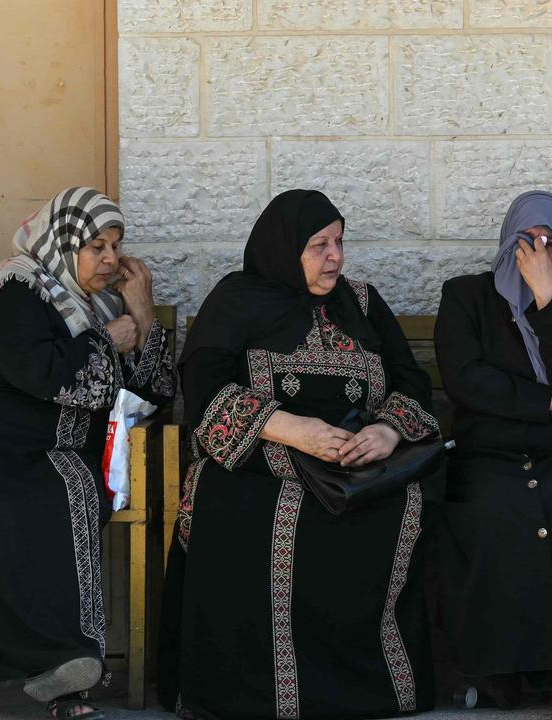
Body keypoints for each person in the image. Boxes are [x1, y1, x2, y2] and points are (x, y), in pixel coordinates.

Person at [157, 190, 439, 719]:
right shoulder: (237, 298)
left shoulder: (364, 303)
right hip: (262, 460)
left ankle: (371, 690)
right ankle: (260, 696)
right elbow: (203, 389)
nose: (335, 256)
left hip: (361, 468)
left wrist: (386, 431)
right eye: (318, 245)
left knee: (401, 507)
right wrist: (292, 429)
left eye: (339, 242)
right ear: (283, 249)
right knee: (249, 513)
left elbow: (411, 381)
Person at [0, 188, 175, 720]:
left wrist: (144, 314)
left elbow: (149, 396)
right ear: (62, 244)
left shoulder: (99, 305)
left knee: (74, 486)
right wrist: (109, 339)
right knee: (45, 495)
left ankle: (68, 669)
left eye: (116, 246)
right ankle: (61, 663)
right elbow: (45, 376)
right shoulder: (19, 286)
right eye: (95, 247)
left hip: (52, 450)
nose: (109, 260)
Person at [434, 190, 552, 709]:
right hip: (488, 451)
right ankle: (498, 671)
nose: (539, 251)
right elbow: (467, 382)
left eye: (551, 244)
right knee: (498, 509)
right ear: (507, 240)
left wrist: (546, 297)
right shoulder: (464, 297)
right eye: (528, 240)